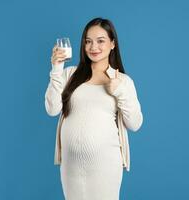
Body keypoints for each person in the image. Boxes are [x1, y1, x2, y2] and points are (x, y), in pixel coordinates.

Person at [45, 17, 143, 200]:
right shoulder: (69, 75)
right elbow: (52, 109)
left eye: (100, 41)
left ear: (113, 44)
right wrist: (56, 69)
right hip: (71, 166)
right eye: (88, 41)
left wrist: (120, 92)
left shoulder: (122, 81)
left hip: (105, 166)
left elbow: (135, 124)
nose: (93, 47)